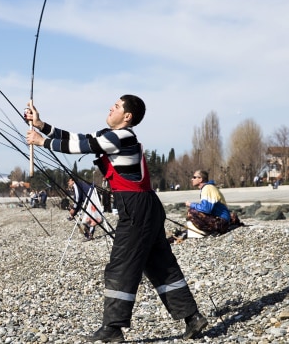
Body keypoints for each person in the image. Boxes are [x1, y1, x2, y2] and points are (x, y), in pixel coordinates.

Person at [26, 95, 207, 342]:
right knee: (160, 264)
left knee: (121, 266)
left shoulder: (122, 136)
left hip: (136, 208)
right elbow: (79, 138)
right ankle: (193, 317)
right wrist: (42, 126)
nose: (111, 107)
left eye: (118, 106)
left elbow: (84, 147)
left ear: (127, 116)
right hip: (146, 206)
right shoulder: (112, 136)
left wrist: (43, 142)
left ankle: (112, 328)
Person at [185, 170, 232, 236]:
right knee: (194, 211)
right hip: (224, 221)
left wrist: (191, 205)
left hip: (222, 222)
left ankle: (210, 231)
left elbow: (206, 209)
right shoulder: (210, 187)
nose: (192, 179)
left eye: (194, 177)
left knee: (191, 212)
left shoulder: (207, 188)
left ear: (200, 179)